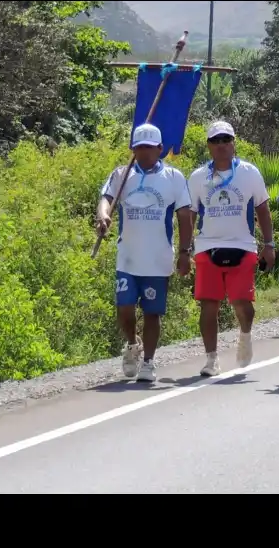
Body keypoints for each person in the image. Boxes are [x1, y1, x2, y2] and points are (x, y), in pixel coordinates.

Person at [96, 123, 193, 382]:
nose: (145, 153)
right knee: (124, 308)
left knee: (153, 312)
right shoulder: (121, 174)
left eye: (150, 148)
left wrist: (185, 252)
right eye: (139, 148)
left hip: (158, 259)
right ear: (133, 149)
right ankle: (132, 345)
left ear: (160, 149)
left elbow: (184, 216)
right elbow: (105, 198)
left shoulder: (173, 178)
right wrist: (103, 216)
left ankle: (149, 362)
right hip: (127, 257)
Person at [187, 121, 276, 377]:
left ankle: (245, 335)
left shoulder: (249, 173)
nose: (222, 145)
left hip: (242, 244)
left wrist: (268, 244)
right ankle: (211, 359)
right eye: (216, 141)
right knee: (209, 304)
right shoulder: (197, 177)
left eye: (226, 140)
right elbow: (190, 214)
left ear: (233, 142)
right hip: (207, 246)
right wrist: (185, 249)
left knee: (242, 302)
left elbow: (262, 209)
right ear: (209, 146)